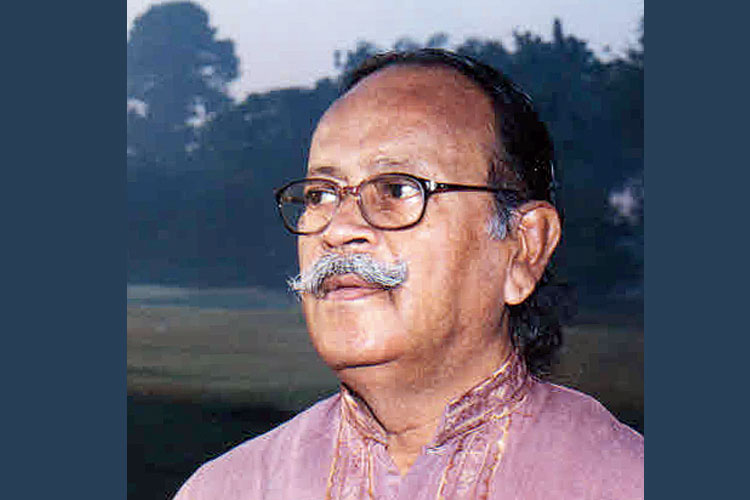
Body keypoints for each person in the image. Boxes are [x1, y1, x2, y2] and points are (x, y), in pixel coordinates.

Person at [173, 49, 643, 500]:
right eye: (320, 194)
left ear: (524, 249)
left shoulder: (623, 482)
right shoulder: (224, 489)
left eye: (397, 188)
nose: (338, 229)